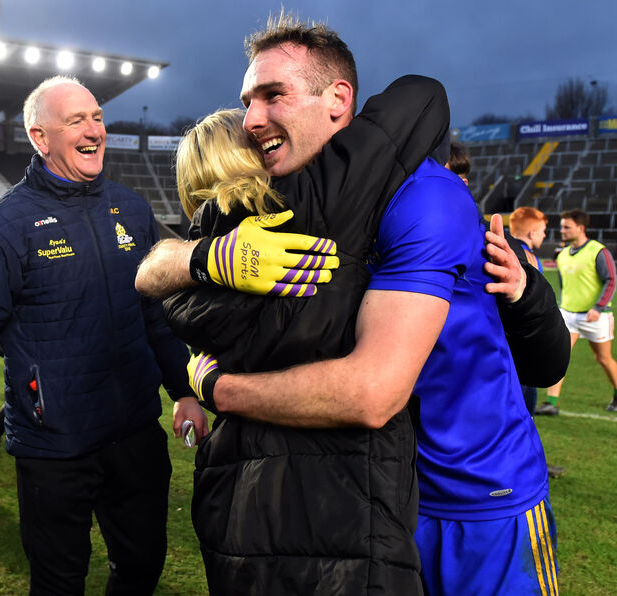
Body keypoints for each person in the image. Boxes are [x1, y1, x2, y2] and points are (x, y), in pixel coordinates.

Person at [136, 13, 568, 596]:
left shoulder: (423, 197)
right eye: (247, 101)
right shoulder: (303, 205)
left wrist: (219, 389)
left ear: (338, 100)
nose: (252, 118)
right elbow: (155, 266)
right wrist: (204, 259)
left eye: (272, 95)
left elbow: (372, 392)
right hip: (385, 493)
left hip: (479, 495)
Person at [0, 76, 208, 595]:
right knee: (59, 583)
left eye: (98, 117)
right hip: (53, 451)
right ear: (41, 139)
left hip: (134, 435)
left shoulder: (131, 209)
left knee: (143, 565)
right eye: (76, 120)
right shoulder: (1, 230)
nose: (94, 129)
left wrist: (183, 391)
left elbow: (155, 314)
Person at [539, 208, 617, 414]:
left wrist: (598, 307)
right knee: (558, 357)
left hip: (596, 316)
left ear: (581, 228)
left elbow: (611, 281)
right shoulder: (562, 255)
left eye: (567, 227)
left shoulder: (598, 251)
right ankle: (551, 403)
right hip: (568, 315)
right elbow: (563, 287)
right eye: (561, 226)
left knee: (603, 359)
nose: (562, 230)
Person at [509, 206, 548, 414]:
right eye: (543, 231)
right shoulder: (530, 259)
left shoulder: (496, 247)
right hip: (519, 342)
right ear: (532, 233)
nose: (545, 235)